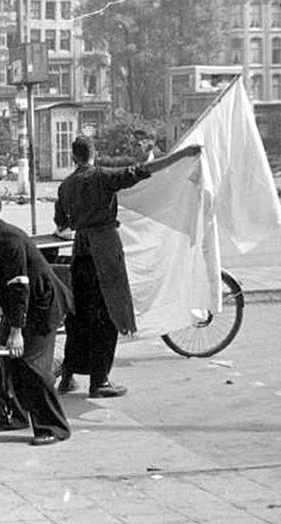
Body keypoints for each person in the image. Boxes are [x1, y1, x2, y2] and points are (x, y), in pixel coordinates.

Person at [54, 137, 202, 398]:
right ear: (93, 153)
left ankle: (67, 377)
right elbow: (141, 172)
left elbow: (61, 225)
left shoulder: (66, 186)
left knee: (79, 315)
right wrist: (181, 155)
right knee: (107, 313)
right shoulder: (102, 177)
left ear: (74, 157)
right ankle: (99, 382)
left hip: (80, 252)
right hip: (104, 250)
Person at [0, 191, 73, 446]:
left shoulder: (8, 239)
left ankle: (55, 427)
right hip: (26, 306)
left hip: (43, 307)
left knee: (31, 366)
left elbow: (19, 286)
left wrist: (16, 331)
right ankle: (17, 416)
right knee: (9, 362)